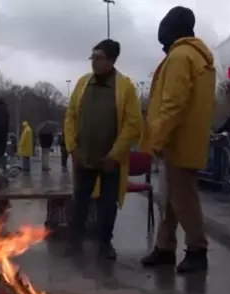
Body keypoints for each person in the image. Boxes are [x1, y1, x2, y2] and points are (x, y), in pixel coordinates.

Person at [140, 6, 215, 273]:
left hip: (176, 141)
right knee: (171, 198)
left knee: (183, 199)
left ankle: (197, 249)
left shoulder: (180, 57)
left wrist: (157, 139)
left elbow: (173, 103)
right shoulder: (199, 57)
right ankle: (165, 247)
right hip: (188, 139)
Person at [64, 39, 144, 260]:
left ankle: (105, 244)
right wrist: (72, 147)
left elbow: (133, 124)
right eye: (93, 58)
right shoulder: (82, 84)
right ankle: (74, 242)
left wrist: (115, 155)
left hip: (110, 159)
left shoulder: (125, 86)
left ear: (111, 60)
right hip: (83, 156)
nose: (94, 63)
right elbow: (70, 116)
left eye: (99, 58)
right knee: (80, 200)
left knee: (107, 204)